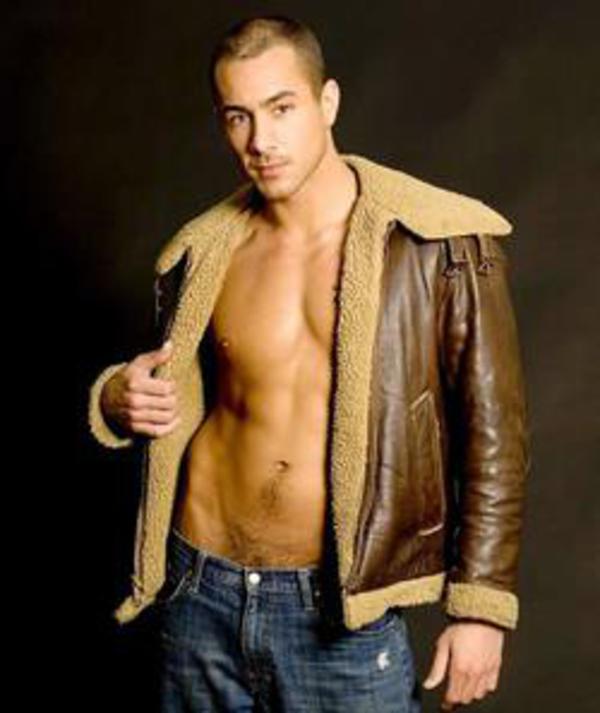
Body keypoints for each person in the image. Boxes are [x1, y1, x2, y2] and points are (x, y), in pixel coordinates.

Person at [87, 14, 531, 712]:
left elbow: (494, 435)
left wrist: (481, 606)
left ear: (327, 102)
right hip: (198, 591)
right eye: (238, 117)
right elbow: (171, 389)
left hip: (337, 614)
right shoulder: (204, 250)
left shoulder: (439, 244)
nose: (260, 141)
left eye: (281, 108)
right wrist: (117, 397)